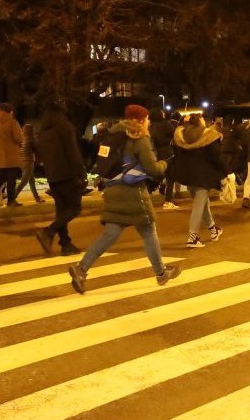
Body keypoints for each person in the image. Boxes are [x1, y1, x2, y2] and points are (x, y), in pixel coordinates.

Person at [67, 105, 181, 294]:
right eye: (147, 119)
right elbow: (153, 168)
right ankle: (161, 273)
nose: (149, 122)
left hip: (112, 189)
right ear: (141, 120)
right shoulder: (139, 139)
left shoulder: (113, 135)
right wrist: (165, 162)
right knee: (149, 230)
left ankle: (81, 269)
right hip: (133, 192)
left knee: (111, 233)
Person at [34, 102, 86, 256]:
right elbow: (73, 152)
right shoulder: (65, 127)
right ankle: (48, 232)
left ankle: (66, 243)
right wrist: (81, 172)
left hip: (53, 175)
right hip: (68, 173)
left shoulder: (44, 131)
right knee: (75, 208)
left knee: (62, 210)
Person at [169, 113, 226, 248]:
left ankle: (213, 229)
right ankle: (192, 237)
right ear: (200, 121)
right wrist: (226, 172)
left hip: (188, 175)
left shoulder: (180, 135)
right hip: (203, 175)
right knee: (199, 205)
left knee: (202, 203)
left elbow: (177, 155)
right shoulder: (208, 135)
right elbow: (216, 156)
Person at [0, 103, 25, 207]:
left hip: (0, 157)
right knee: (11, 179)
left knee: (1, 178)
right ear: (10, 111)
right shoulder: (13, 122)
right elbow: (19, 138)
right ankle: (11, 201)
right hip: (12, 156)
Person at [149, 109, 180, 209]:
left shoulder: (151, 126)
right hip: (167, 153)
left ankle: (148, 194)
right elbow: (175, 134)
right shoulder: (165, 124)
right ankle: (168, 201)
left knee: (158, 175)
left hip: (156, 154)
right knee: (171, 177)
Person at [13, 123, 45, 204]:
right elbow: (37, 149)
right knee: (24, 181)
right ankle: (12, 198)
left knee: (31, 181)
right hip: (28, 161)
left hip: (22, 162)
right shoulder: (30, 139)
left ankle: (37, 198)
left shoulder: (22, 139)